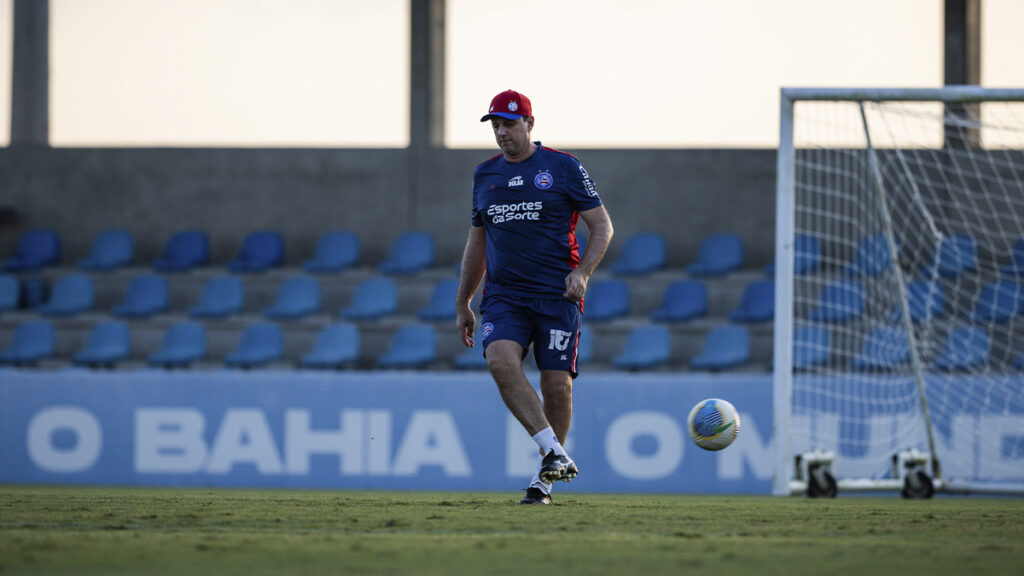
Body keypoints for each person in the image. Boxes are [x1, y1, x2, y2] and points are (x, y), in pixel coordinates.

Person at [455, 89, 614, 505]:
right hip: (505, 296)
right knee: (499, 361)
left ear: (529, 124)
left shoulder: (563, 168)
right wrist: (463, 302)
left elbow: (603, 227)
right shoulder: (484, 176)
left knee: (556, 385)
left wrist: (582, 273)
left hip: (556, 296)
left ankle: (544, 479)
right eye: (496, 126)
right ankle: (555, 454)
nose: (502, 133)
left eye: (509, 124)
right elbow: (477, 243)